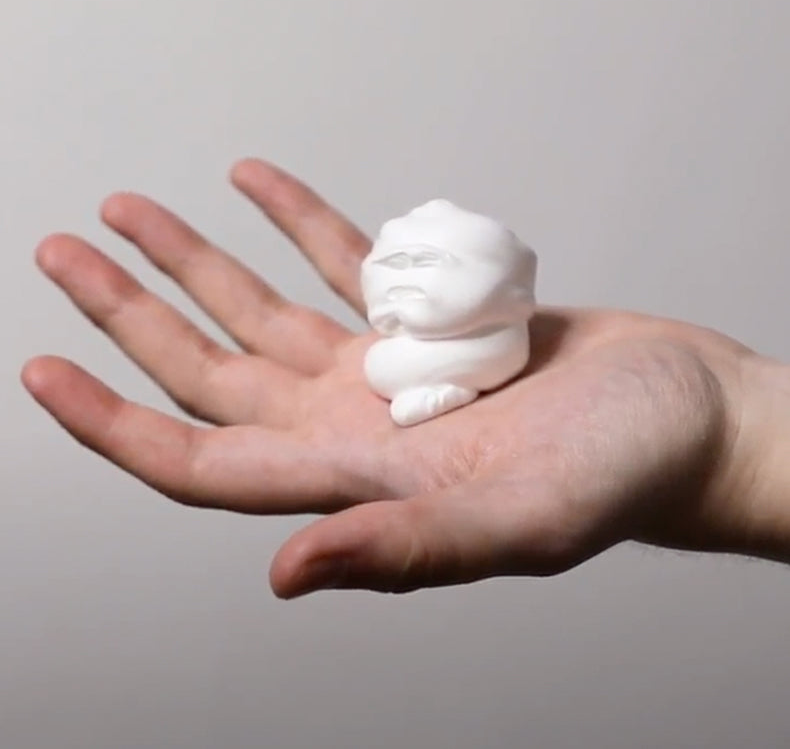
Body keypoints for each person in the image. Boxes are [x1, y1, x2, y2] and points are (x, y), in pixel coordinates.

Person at [20, 159, 790, 598]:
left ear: (516, 297)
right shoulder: (413, 349)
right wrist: (736, 430)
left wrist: (734, 431)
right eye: (392, 267)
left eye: (434, 266)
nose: (403, 282)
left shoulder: (499, 345)